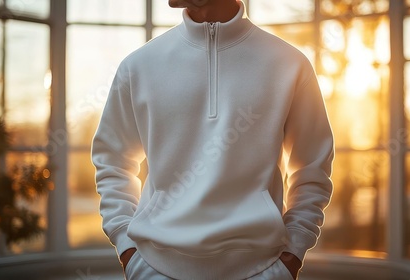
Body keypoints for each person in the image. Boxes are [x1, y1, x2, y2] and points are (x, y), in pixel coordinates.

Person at [92, 0, 334, 279]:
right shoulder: (137, 66)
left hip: (263, 269)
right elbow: (112, 161)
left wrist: (292, 255)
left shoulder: (290, 64)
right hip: (153, 268)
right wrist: (128, 248)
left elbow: (312, 168)